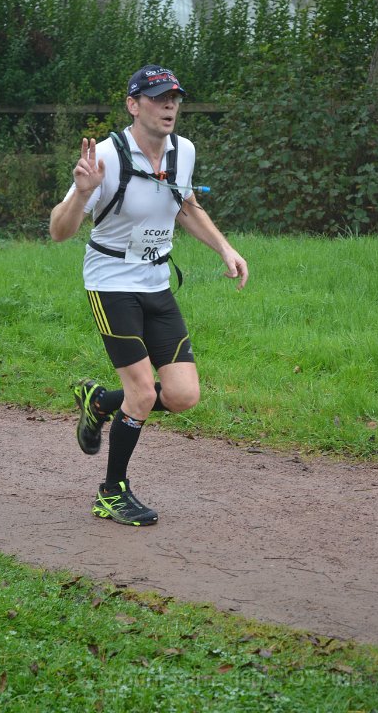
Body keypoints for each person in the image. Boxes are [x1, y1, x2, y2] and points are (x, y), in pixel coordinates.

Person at [50, 64, 248, 527]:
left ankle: (100, 402)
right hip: (111, 283)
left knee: (182, 395)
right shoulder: (105, 157)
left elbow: (185, 205)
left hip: (156, 283)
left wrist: (225, 248)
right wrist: (81, 194)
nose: (169, 106)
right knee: (140, 393)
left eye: (174, 98)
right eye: (158, 98)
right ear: (133, 105)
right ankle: (111, 493)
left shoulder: (184, 151)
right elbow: (59, 231)